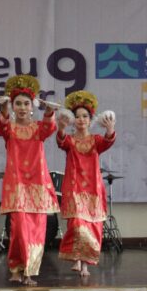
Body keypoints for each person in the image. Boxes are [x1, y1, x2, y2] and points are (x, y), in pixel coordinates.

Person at [0, 75, 59, 286]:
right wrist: (3, 109)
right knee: (19, 227)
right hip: (17, 185)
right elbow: (0, 127)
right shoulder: (9, 128)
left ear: (32, 107)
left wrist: (50, 111)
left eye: (26, 103)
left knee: (37, 229)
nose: (22, 107)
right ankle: (16, 267)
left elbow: (50, 128)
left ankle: (30, 271)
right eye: (18, 104)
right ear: (13, 106)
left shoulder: (39, 128)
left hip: (38, 184)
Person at [56, 90, 116, 277]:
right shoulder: (70, 141)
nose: (81, 120)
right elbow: (61, 141)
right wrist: (61, 128)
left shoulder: (96, 140)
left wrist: (110, 129)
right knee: (76, 225)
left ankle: (85, 264)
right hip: (74, 187)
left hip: (93, 188)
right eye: (77, 116)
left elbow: (108, 141)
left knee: (91, 226)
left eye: (84, 116)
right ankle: (77, 258)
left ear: (90, 120)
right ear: (73, 120)